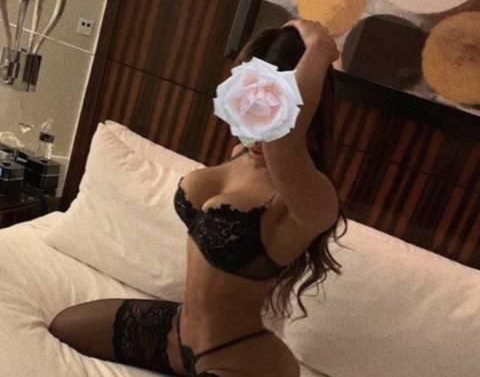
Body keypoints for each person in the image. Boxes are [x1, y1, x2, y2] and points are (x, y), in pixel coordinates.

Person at [48, 19, 348, 376]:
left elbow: (284, 139)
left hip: (239, 358)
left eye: (270, 108)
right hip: (177, 331)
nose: (255, 129)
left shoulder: (312, 199)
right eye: (250, 102)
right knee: (65, 325)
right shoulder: (241, 155)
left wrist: (319, 48)